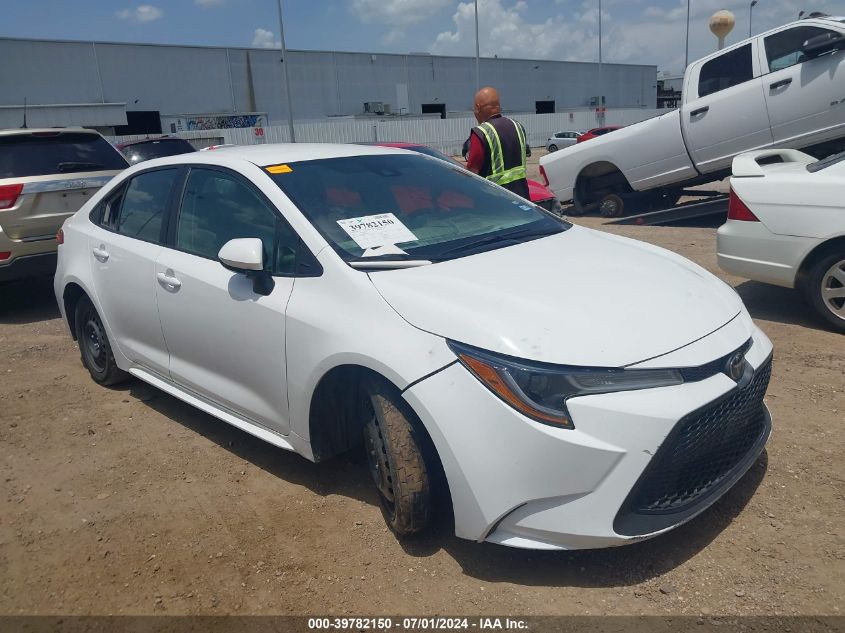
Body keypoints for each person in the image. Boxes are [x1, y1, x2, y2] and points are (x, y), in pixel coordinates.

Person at [465, 86, 530, 200]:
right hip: (522, 198)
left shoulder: (481, 133)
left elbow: (471, 174)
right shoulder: (518, 126)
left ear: (478, 108)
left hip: (495, 201)